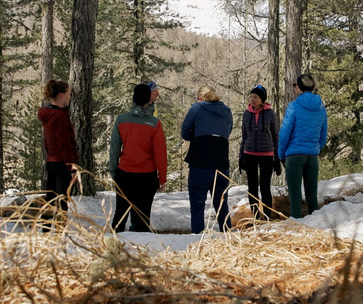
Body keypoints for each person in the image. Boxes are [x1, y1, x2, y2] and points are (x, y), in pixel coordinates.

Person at [109, 83, 168, 232]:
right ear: (148, 100)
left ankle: (113, 245)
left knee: (120, 214)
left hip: (125, 174)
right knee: (142, 216)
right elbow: (160, 153)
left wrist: (114, 171)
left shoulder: (121, 120)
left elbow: (114, 149)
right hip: (147, 176)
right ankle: (139, 249)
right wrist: (162, 178)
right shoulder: (154, 123)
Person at [181, 85, 234, 232]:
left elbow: (184, 133)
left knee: (197, 206)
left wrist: (196, 133)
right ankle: (229, 238)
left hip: (200, 162)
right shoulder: (227, 111)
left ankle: (198, 240)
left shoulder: (196, 108)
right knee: (222, 206)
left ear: (200, 98)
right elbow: (227, 132)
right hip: (221, 162)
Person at [277, 74, 328, 218]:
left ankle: (296, 227)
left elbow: (284, 133)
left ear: (299, 87)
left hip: (294, 155)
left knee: (295, 198)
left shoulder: (294, 106)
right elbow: (323, 134)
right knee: (312, 197)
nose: (294, 88)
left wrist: (281, 154)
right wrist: (315, 148)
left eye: (295, 86)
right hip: (312, 156)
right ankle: (316, 226)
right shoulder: (320, 107)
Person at [239, 84, 281, 219]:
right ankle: (256, 217)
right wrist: (241, 157)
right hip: (249, 154)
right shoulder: (246, 114)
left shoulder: (270, 114)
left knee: (265, 187)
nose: (252, 100)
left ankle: (267, 217)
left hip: (267, 154)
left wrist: (277, 158)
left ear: (262, 99)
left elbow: (275, 136)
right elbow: (244, 136)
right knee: (252, 188)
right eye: (251, 97)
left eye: (255, 97)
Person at [37, 80, 78, 215]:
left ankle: (46, 231)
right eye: (68, 94)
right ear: (61, 95)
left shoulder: (50, 114)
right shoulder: (59, 116)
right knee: (62, 202)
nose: (70, 97)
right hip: (61, 164)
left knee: (50, 199)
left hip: (52, 162)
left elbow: (47, 142)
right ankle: (59, 233)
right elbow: (64, 143)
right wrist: (71, 167)